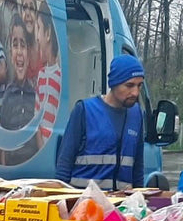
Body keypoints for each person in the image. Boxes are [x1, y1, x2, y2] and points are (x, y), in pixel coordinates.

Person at [56, 55, 147, 188]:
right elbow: (64, 163)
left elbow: (138, 168)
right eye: (129, 85)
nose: (135, 92)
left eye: (139, 86)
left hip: (120, 204)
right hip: (84, 202)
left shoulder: (137, 114)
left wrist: (140, 200)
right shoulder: (85, 110)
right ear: (114, 83)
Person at [33, 0, 61, 151]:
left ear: (48, 33)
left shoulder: (60, 77)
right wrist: (41, 147)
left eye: (39, 28)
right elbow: (37, 117)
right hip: (42, 149)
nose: (37, 36)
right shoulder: (41, 75)